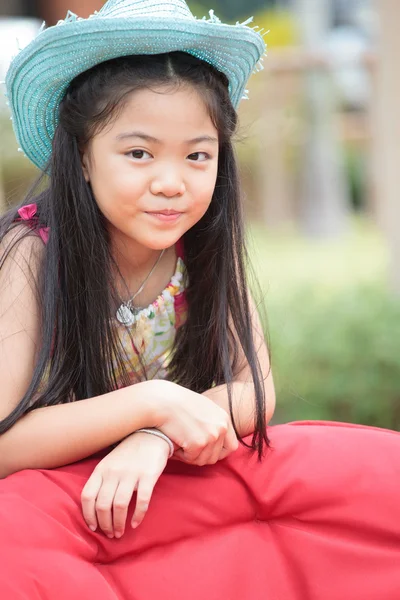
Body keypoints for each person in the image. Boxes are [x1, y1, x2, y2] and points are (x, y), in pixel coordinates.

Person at [0, 1, 399, 599]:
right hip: (42, 522)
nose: (172, 181)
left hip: (145, 499)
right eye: (139, 153)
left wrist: (156, 434)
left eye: (197, 154)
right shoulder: (31, 249)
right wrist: (156, 401)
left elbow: (253, 386)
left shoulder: (198, 242)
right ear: (81, 155)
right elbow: (4, 442)